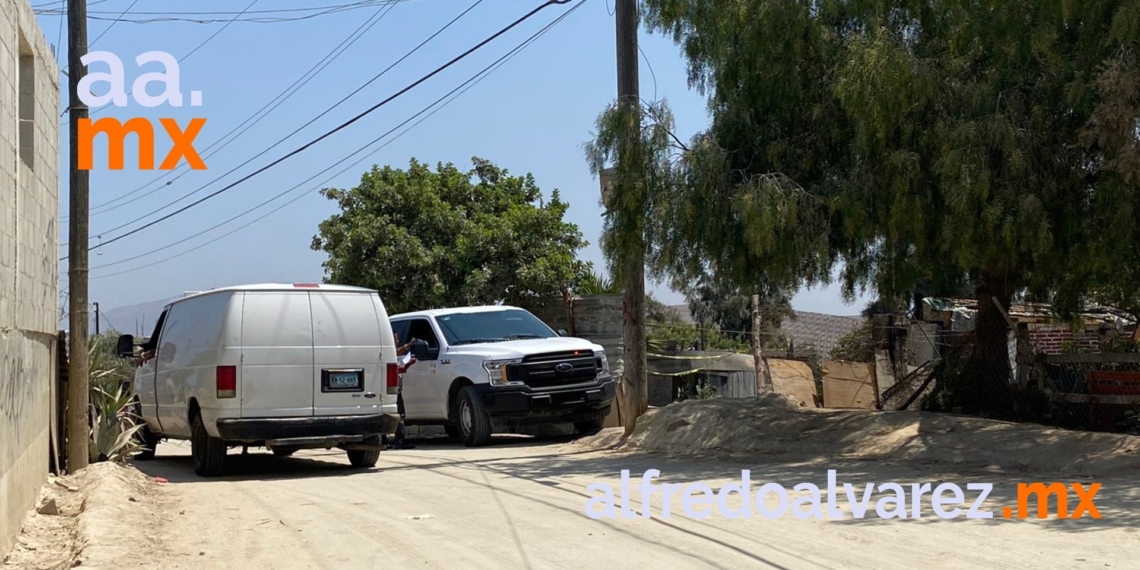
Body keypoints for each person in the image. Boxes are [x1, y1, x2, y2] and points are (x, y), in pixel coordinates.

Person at [388, 332, 417, 450]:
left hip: (394, 388)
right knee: (400, 416)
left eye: (397, 338)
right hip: (394, 389)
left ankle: (393, 441)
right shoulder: (388, 353)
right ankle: (399, 441)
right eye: (395, 338)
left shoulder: (389, 352)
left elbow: (397, 352)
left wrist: (408, 346)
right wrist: (409, 364)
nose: (397, 340)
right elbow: (399, 369)